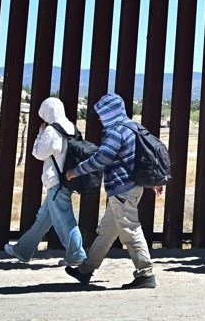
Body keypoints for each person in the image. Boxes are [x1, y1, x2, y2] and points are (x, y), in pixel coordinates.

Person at [63, 94, 159, 289]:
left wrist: (76, 171)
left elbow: (101, 158)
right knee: (107, 232)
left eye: (101, 113)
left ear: (109, 112)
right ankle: (85, 270)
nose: (98, 118)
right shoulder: (132, 126)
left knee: (130, 230)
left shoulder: (115, 131)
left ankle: (145, 274)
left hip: (123, 190)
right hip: (128, 189)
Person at [4, 97, 87, 267]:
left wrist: (40, 135)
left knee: (66, 219)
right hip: (67, 178)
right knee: (43, 218)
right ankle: (23, 250)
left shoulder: (51, 129)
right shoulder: (71, 126)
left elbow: (39, 154)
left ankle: (77, 255)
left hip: (55, 181)